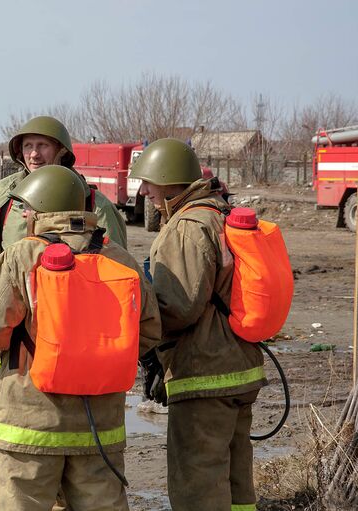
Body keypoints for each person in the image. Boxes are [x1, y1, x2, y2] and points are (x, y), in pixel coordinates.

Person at [0, 165, 161, 511]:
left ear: (39, 210)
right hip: (100, 430)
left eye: (26, 209)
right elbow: (149, 330)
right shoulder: (119, 258)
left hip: (28, 425)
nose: (25, 215)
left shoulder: (22, 255)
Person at [129, 138, 267, 511]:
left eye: (148, 182)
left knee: (199, 488)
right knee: (237, 484)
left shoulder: (188, 225)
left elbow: (179, 307)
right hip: (238, 368)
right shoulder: (219, 213)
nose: (143, 192)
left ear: (169, 179)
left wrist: (141, 337)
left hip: (204, 373)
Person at [0, 115, 127, 390]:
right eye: (28, 146)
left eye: (43, 145)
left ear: (62, 151)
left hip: (81, 343)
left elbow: (117, 279)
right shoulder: (0, 202)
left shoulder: (95, 205)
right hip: (16, 349)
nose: (34, 154)